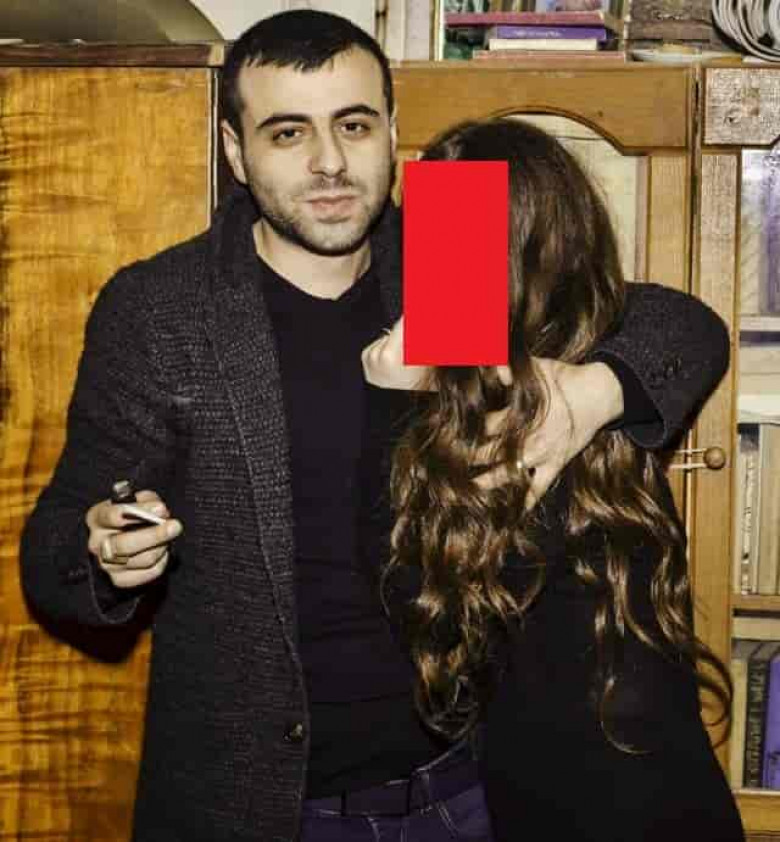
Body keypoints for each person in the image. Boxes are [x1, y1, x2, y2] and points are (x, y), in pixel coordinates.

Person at [20, 10, 729, 842]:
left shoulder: (443, 248)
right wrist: (105, 553)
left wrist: (596, 391)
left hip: (467, 790)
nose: (328, 161)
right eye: (288, 132)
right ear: (236, 151)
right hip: (258, 808)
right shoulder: (161, 309)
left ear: (392, 133)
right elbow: (55, 552)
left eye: (353, 126)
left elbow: (675, 323)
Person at [370, 119, 744, 842]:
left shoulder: (582, 375)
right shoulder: (513, 376)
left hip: (623, 797)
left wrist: (593, 393)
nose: (436, 265)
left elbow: (691, 323)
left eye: (458, 236)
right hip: (542, 791)